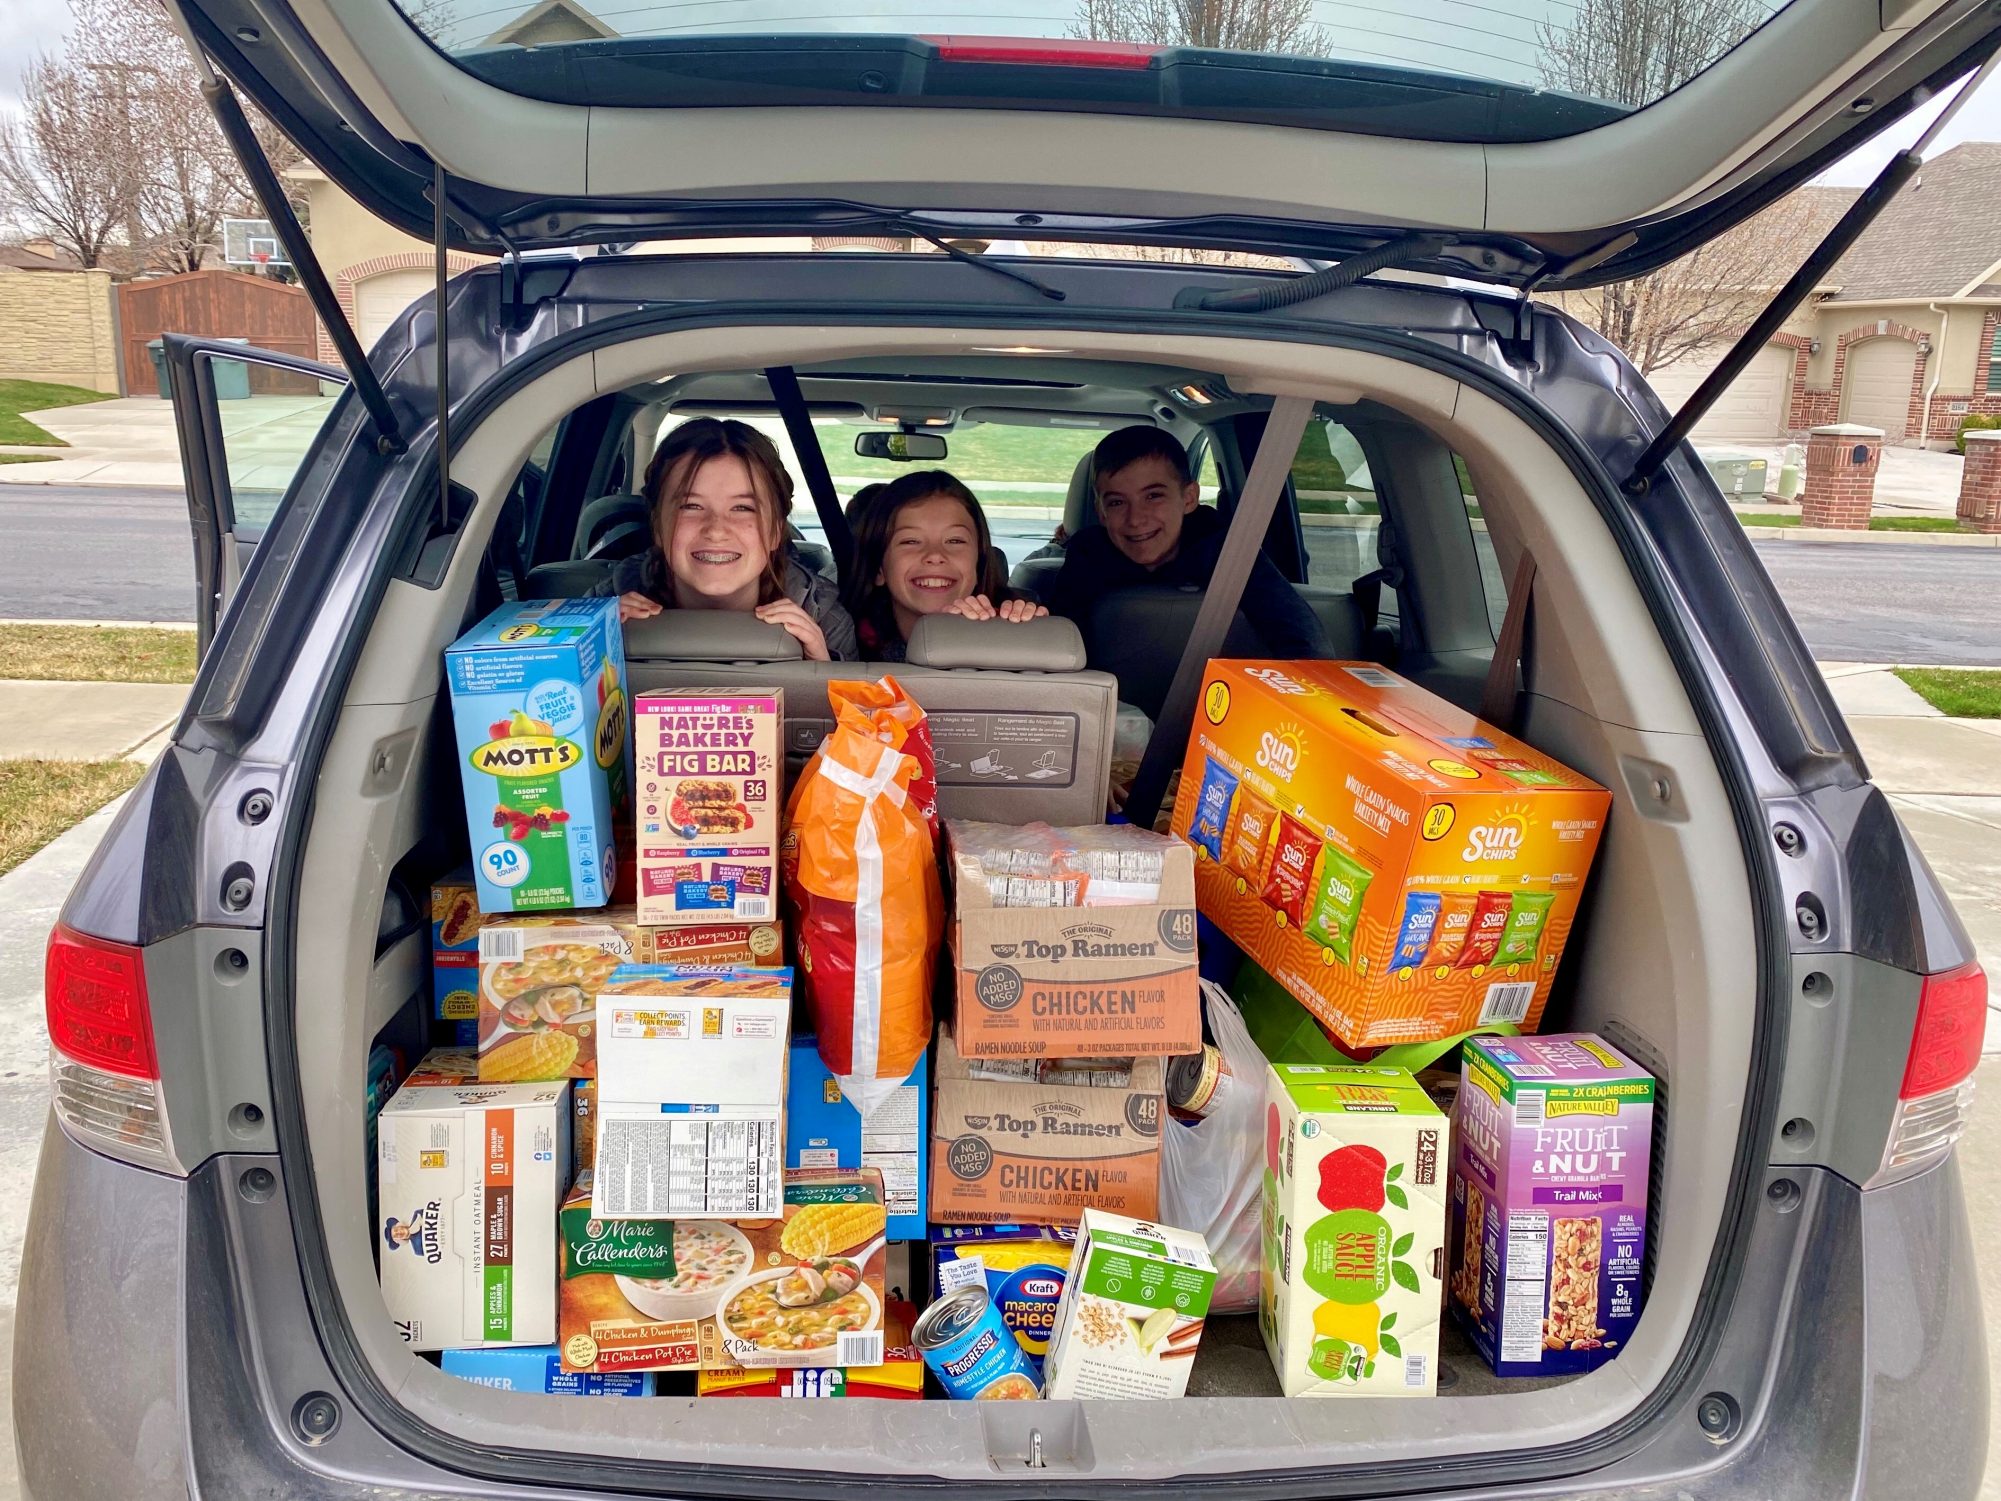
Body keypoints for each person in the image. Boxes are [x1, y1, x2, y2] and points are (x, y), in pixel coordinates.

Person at [1045, 426, 1328, 657]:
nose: (1135, 519)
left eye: (1153, 496)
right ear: (1101, 513)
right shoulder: (1088, 554)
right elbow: (1060, 645)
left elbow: (1303, 638)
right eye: (1117, 502)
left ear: (1189, 498)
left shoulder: (1226, 549)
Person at [596, 417, 856, 661]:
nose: (716, 530)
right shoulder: (603, 606)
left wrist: (821, 669)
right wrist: (594, 645)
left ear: (776, 531)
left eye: (743, 508)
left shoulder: (825, 618)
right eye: (691, 506)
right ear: (658, 527)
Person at [844, 469, 1047, 661]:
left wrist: (1026, 639)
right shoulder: (844, 645)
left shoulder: (1010, 631)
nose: (935, 555)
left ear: (979, 562)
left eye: (955, 541)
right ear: (879, 569)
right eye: (911, 541)